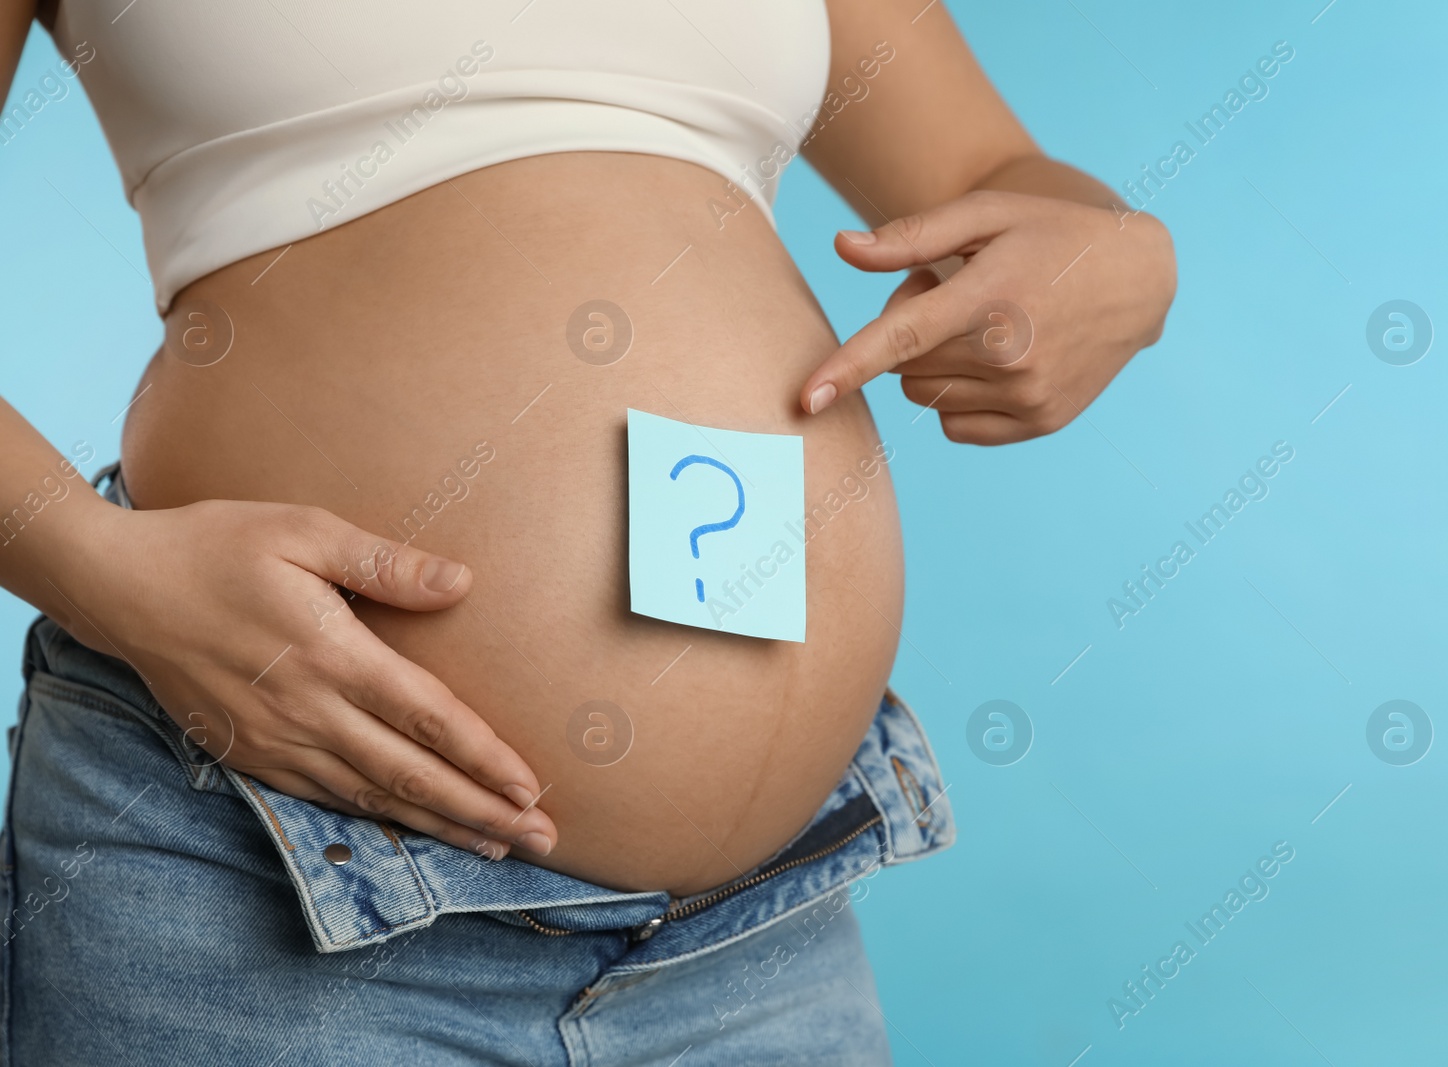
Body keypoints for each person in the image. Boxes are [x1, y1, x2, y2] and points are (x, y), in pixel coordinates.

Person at [0, 0, 1175, 1062]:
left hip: (766, 935)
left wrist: (1111, 251)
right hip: (274, 869)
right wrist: (105, 570)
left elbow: (997, 171)